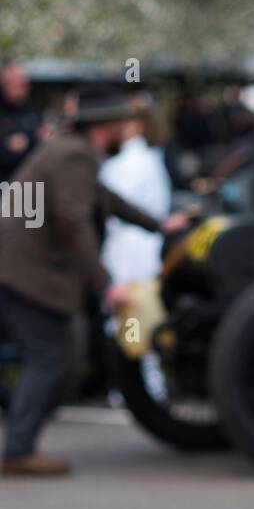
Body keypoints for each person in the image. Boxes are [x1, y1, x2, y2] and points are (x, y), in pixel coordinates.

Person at [0, 87, 186, 475]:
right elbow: (73, 220)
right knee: (49, 356)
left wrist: (159, 226)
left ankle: (21, 441)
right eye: (123, 123)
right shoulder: (73, 155)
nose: (128, 130)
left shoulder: (73, 152)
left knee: (54, 354)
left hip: (21, 266)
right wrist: (105, 283)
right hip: (25, 269)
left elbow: (106, 200)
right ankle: (18, 449)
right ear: (107, 126)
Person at [99, 94, 172, 282]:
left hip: (127, 261)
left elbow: (113, 210)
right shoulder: (150, 157)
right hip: (147, 254)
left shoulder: (127, 163)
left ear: (136, 125)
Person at [0, 60, 42, 181]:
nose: (24, 89)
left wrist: (29, 140)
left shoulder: (33, 111)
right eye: (18, 85)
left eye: (25, 84)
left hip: (28, 185)